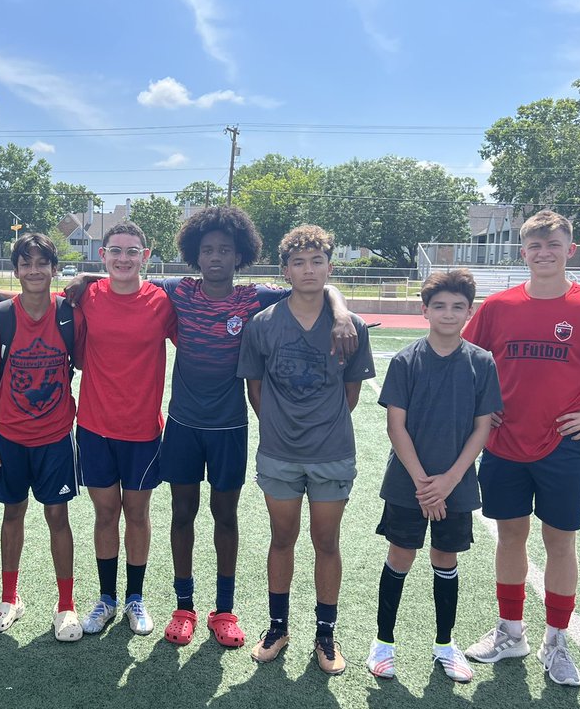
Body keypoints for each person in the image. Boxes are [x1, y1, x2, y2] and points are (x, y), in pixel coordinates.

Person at [150, 207, 356, 650]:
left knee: (225, 516)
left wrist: (340, 310)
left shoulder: (255, 299)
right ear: (195, 255)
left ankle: (223, 610)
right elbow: (123, 279)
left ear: (241, 254)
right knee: (182, 513)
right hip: (183, 425)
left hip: (230, 427)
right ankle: (183, 605)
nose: (216, 257)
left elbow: (317, 285)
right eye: (207, 250)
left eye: (225, 249)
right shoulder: (179, 291)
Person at [462, 210, 580, 687]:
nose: (543, 252)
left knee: (560, 542)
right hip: (503, 443)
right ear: (521, 252)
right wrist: (482, 408)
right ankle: (511, 633)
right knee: (510, 536)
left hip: (562, 447)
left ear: (571, 250)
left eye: (553, 244)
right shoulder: (499, 307)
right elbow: (462, 361)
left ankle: (556, 641)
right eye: (534, 245)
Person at [237, 224, 375, 675]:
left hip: (332, 452)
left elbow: (351, 393)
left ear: (330, 268)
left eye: (317, 261)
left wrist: (321, 425)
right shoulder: (262, 324)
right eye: (299, 262)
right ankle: (278, 626)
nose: (309, 269)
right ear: (285, 270)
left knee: (326, 541)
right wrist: (282, 427)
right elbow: (255, 391)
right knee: (282, 538)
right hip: (278, 452)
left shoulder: (350, 326)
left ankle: (325, 632)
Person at [365, 269, 501, 683]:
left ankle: (445, 644)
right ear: (425, 310)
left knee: (446, 559)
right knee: (400, 556)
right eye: (439, 306)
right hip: (409, 483)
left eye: (457, 307)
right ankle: (383, 643)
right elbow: (396, 427)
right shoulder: (407, 360)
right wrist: (426, 483)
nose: (448, 313)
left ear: (469, 312)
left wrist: (450, 480)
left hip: (456, 484)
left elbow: (483, 427)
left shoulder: (481, 361)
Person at [0, 232, 86, 641]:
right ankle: (10, 598)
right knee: (13, 514)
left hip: (56, 435)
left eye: (43, 263)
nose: (35, 270)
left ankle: (66, 606)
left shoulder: (69, 316)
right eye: (26, 263)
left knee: (58, 516)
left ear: (55, 269)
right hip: (9, 436)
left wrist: (89, 279)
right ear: (16, 270)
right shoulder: (0, 318)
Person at [73, 221, 176, 637]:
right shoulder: (85, 297)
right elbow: (34, 301)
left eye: (133, 251)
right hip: (95, 427)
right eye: (115, 251)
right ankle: (106, 598)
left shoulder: (161, 302)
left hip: (143, 431)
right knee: (105, 514)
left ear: (145, 257)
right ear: (103, 255)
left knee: (137, 513)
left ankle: (135, 597)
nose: (123, 258)